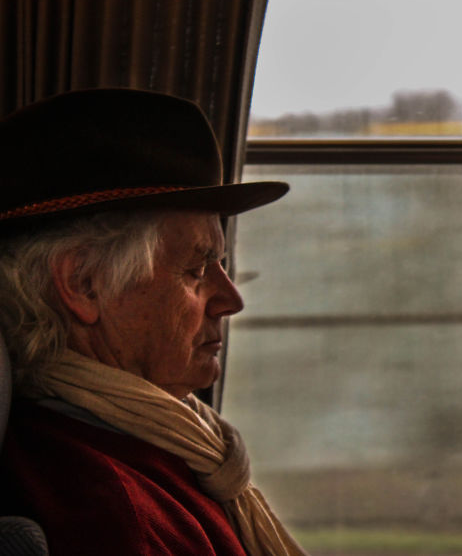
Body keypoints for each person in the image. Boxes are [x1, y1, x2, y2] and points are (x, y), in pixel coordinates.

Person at [0, 89, 308, 555]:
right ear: (83, 285)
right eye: (197, 270)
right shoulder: (107, 508)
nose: (231, 300)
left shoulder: (153, 446)